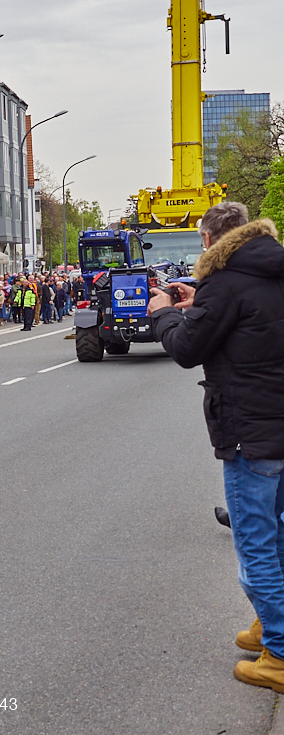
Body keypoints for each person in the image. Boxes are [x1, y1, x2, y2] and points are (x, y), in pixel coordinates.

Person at [149, 203, 284, 691]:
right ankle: (271, 625)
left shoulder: (224, 282)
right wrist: (199, 301)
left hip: (250, 430)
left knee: (255, 545)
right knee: (279, 535)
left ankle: (279, 654)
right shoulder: (272, 268)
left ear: (208, 240)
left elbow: (188, 350)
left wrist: (165, 314)